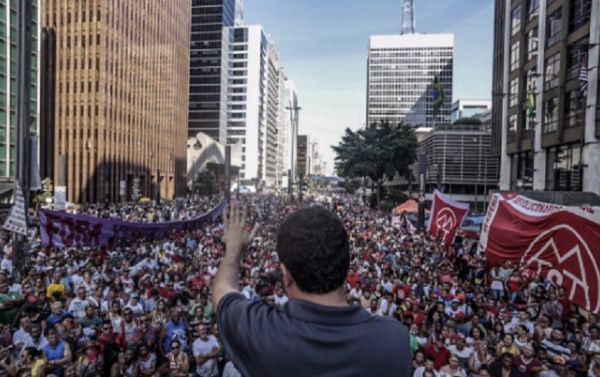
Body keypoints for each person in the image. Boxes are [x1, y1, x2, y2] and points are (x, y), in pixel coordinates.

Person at [213, 203, 411, 377]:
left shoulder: (262, 333)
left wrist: (233, 248)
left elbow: (223, 289)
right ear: (345, 266)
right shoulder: (395, 339)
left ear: (286, 275)